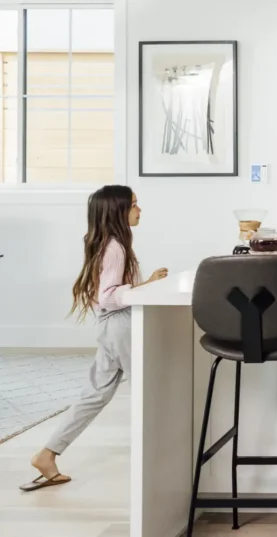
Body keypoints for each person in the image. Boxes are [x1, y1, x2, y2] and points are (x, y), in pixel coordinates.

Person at [22, 186, 167, 492]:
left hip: (109, 326)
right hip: (119, 325)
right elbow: (110, 296)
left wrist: (147, 284)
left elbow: (108, 292)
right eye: (134, 206)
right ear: (118, 211)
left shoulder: (106, 244)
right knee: (151, 387)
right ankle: (161, 461)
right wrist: (144, 289)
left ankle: (47, 454)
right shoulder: (116, 247)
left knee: (94, 395)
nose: (140, 211)